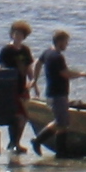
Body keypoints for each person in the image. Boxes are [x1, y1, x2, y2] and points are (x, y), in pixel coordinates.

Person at [0, 23, 36, 157]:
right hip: (11, 88)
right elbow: (2, 69)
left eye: (21, 34)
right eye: (16, 33)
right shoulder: (6, 50)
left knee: (25, 116)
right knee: (16, 116)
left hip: (23, 87)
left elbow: (29, 69)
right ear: (12, 34)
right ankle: (14, 143)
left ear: (24, 36)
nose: (18, 36)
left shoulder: (25, 50)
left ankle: (15, 142)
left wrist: (33, 82)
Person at [36, 30, 75, 158]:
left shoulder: (47, 52)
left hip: (53, 93)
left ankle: (60, 152)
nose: (67, 45)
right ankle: (39, 142)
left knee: (62, 122)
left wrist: (34, 80)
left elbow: (37, 63)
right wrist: (81, 74)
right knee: (61, 123)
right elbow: (65, 74)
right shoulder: (57, 57)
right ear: (59, 42)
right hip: (57, 94)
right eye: (65, 42)